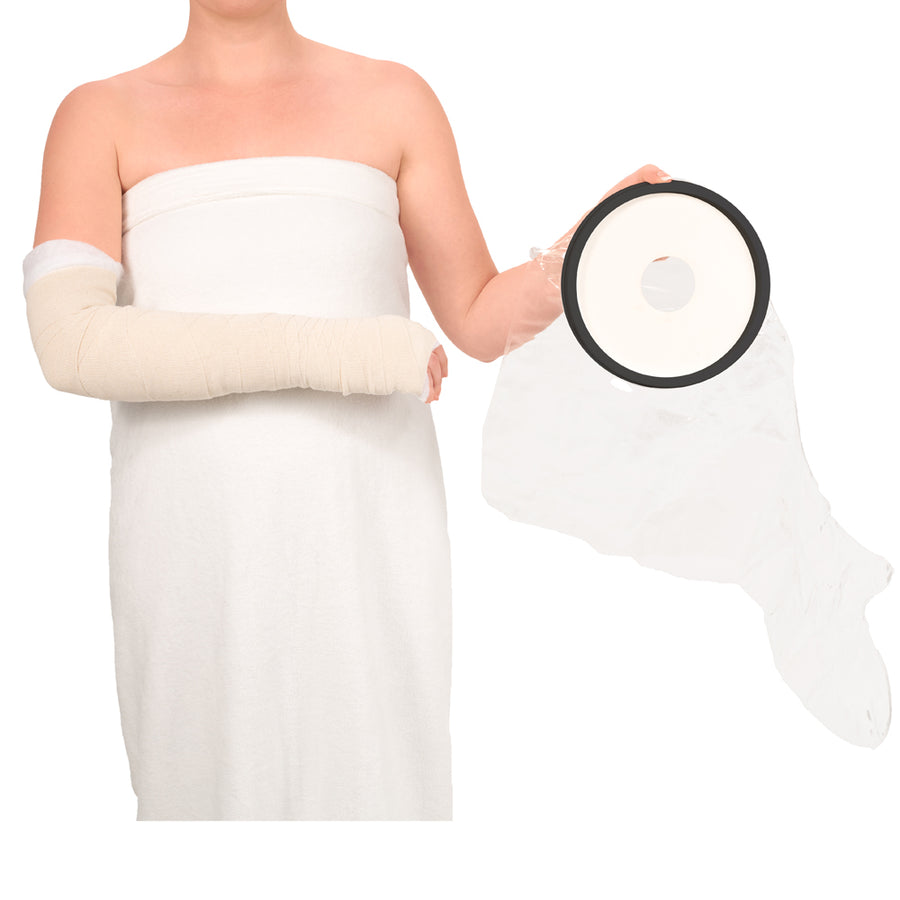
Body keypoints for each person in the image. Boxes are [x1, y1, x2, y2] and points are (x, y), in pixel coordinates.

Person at [26, 0, 671, 820]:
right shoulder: (99, 115)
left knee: (376, 811)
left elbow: (477, 317)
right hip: (193, 559)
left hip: (365, 538)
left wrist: (594, 247)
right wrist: (344, 351)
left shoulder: (394, 99)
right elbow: (74, 343)